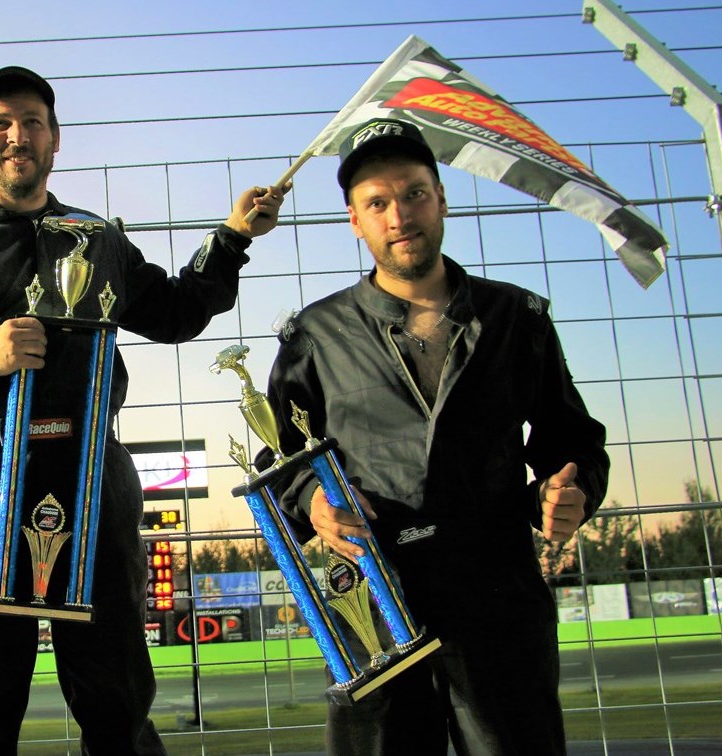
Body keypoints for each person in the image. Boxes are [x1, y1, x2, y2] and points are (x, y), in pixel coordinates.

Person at [0, 66, 290, 754]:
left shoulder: (96, 239)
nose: (16, 136)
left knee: (116, 704)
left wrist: (231, 238)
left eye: (31, 122)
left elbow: (172, 313)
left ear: (56, 139)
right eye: (0, 124)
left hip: (89, 477)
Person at [259, 118, 610, 755]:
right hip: (373, 600)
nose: (400, 215)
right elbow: (279, 456)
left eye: (415, 193)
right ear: (355, 220)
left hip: (497, 591)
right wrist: (313, 500)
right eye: (378, 203)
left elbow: (571, 437)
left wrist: (572, 487)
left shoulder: (514, 316)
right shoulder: (316, 335)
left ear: (442, 200)